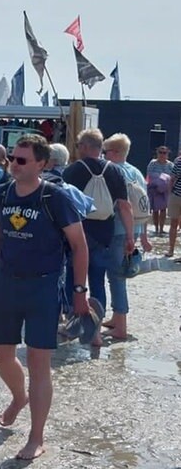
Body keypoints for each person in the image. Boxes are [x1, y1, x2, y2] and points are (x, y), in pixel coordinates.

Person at [0, 134, 88, 461]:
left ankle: (36, 437)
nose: (14, 164)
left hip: (43, 286)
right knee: (0, 354)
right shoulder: (1, 194)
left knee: (38, 363)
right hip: (7, 283)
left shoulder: (53, 197)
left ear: (41, 164)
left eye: (22, 160)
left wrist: (80, 291)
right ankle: (18, 396)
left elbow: (79, 246)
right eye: (13, 158)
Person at [63, 128, 134, 326]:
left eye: (78, 146)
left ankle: (72, 320)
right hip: (105, 233)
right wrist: (130, 236)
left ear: (85, 147)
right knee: (97, 280)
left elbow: (62, 204)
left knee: (73, 277)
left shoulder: (73, 170)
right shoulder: (114, 170)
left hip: (77, 232)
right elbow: (124, 206)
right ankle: (96, 323)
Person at [101, 133, 151, 340]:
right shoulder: (136, 172)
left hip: (119, 229)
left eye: (106, 151)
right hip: (134, 228)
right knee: (119, 274)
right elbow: (145, 205)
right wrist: (142, 234)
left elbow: (121, 205)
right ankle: (117, 317)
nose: (103, 155)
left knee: (116, 276)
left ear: (116, 152)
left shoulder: (114, 171)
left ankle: (121, 325)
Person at [147, 146, 173, 236]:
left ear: (167, 154)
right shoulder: (152, 163)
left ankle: (161, 229)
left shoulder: (170, 165)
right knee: (155, 210)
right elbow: (149, 175)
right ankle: (156, 228)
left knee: (163, 210)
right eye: (160, 152)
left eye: (164, 153)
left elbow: (173, 177)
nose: (162, 154)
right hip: (154, 189)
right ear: (157, 153)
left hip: (165, 190)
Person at [167, 153, 181, 258]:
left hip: (176, 195)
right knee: (173, 224)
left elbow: (172, 178)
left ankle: (171, 250)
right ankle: (172, 250)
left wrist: (170, 193)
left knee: (173, 224)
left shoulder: (178, 161)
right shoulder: (178, 161)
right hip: (176, 195)